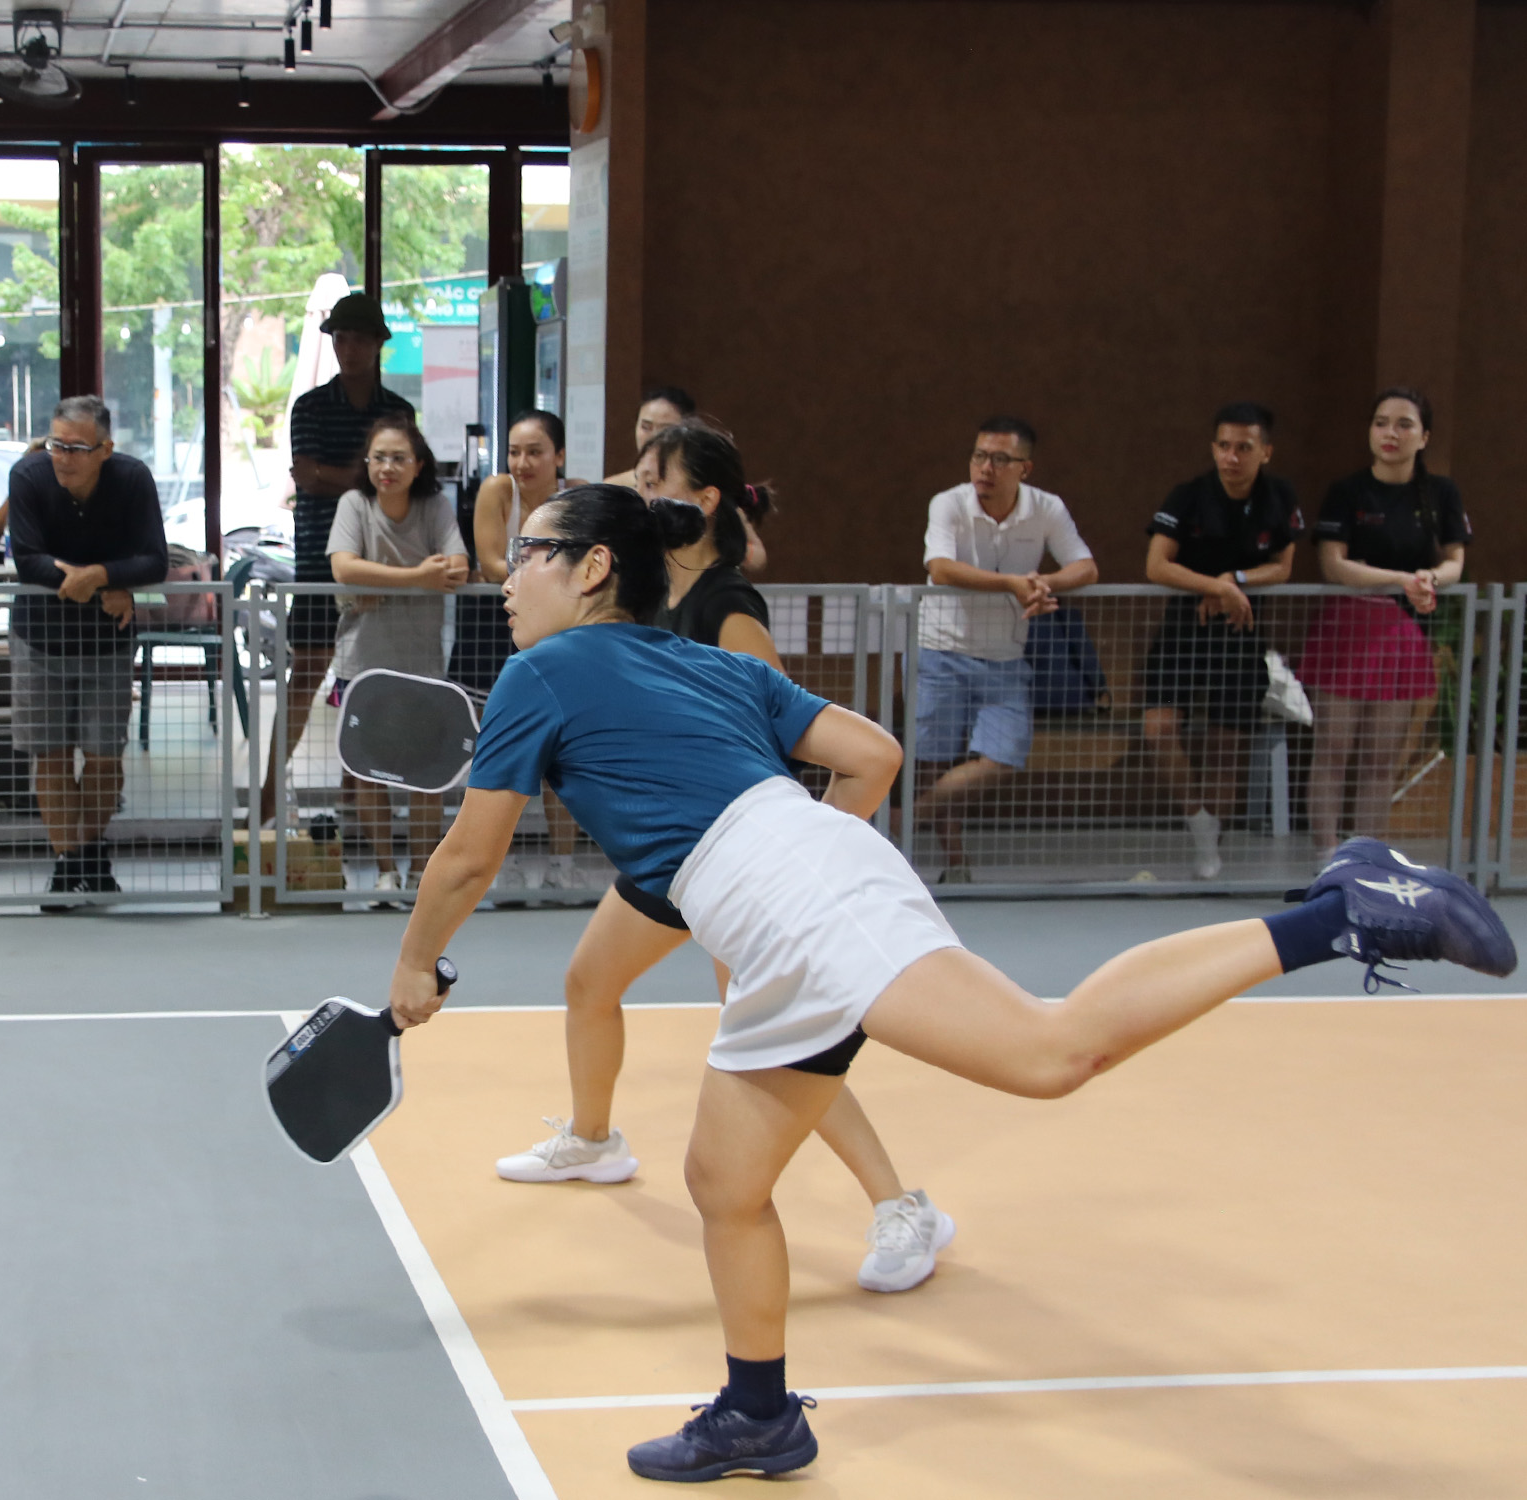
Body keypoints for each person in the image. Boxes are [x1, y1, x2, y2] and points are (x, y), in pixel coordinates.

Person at [381, 482, 1513, 1483]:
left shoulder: (541, 671)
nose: (506, 576)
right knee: (725, 1179)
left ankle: (1340, 912)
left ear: (590, 568)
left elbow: (471, 857)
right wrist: (795, 861)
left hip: (793, 895)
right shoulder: (713, 665)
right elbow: (871, 757)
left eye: (526, 554)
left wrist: (414, 964)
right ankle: (760, 1415)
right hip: (800, 876)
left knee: (1049, 1053)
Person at [497, 427, 954, 1295]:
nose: (639, 486)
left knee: (780, 1040)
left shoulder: (724, 606)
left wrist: (794, 865)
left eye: (653, 476)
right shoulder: (643, 595)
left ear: (702, 501)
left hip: (740, 859)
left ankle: (902, 1205)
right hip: (671, 851)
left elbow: (769, 739)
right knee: (590, 982)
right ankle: (593, 1140)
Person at [914, 417, 1097, 879]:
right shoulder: (949, 503)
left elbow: (1085, 567)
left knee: (1003, 757)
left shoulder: (1046, 508)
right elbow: (940, 568)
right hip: (941, 648)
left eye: (999, 459)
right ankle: (955, 860)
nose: (986, 468)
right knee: (933, 758)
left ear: (1024, 468)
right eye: (979, 456)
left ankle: (903, 820)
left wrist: (1043, 584)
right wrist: (1012, 584)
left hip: (1006, 656)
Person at [7, 395, 167, 908]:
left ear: (105, 450)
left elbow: (155, 559)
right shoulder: (28, 476)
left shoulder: (132, 479)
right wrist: (103, 583)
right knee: (51, 755)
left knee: (103, 755)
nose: (63, 457)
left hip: (105, 642)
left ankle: (91, 852)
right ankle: (69, 861)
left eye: (77, 448)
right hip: (39, 639)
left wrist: (100, 576)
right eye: (57, 445)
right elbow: (27, 559)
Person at [264, 292, 414, 828]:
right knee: (305, 674)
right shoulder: (310, 406)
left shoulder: (398, 411)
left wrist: (341, 475)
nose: (347, 348)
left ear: (377, 344)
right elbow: (306, 476)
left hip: (378, 561)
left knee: (370, 685)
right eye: (340, 339)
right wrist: (371, 474)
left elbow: (399, 481)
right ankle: (266, 800)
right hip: (317, 562)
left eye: (357, 339)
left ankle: (359, 813)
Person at [1299, 387, 1469, 859]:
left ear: (1424, 436)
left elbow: (1455, 561)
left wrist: (1429, 578)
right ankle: (1327, 856)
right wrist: (1401, 580)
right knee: (1333, 750)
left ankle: (1368, 858)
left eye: (1403, 424)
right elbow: (1334, 565)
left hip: (1403, 633)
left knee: (1379, 758)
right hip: (1348, 629)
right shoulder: (1347, 492)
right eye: (1380, 423)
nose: (1390, 433)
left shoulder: (1441, 493)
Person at [1140, 403, 1302, 879]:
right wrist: (1214, 586)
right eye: (1224, 447)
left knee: (1226, 748)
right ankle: (1198, 820)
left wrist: (1235, 580)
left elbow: (1283, 567)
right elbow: (1157, 565)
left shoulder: (1279, 496)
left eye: (1244, 448)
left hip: (1241, 635)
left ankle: (1212, 849)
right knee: (1158, 729)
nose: (1232, 457)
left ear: (1265, 452)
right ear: (1214, 449)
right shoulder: (1189, 495)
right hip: (1183, 631)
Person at [327, 415, 469, 902]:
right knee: (369, 773)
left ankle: (424, 871)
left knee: (425, 774)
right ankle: (387, 871)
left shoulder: (435, 507)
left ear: (418, 464)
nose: (387, 467)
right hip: (362, 663)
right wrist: (417, 578)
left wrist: (379, 581)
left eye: (399, 458)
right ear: (367, 462)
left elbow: (457, 566)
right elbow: (344, 567)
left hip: (422, 664)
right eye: (379, 457)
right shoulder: (354, 503)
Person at [466, 408, 592, 893]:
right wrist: (553, 576)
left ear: (559, 456)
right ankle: (505, 864)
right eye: (515, 452)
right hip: (496, 633)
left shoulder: (577, 496)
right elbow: (490, 561)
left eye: (535, 452)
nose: (522, 463)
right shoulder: (498, 491)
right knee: (504, 758)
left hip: (561, 636)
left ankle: (563, 864)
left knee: (565, 754)